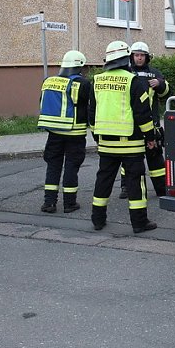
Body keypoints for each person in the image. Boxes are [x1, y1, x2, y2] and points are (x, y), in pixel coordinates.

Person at [89, 40, 157, 234]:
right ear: (126, 58)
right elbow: (143, 113)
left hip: (106, 143)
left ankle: (97, 220)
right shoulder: (132, 80)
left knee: (103, 181)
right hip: (131, 144)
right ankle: (139, 223)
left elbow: (91, 112)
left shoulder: (97, 80)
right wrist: (150, 136)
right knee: (135, 184)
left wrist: (96, 135)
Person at [37, 50, 90, 214]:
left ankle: (49, 203)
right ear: (79, 65)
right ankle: (69, 203)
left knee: (53, 165)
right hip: (75, 132)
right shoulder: (82, 83)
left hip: (54, 132)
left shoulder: (48, 81)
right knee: (71, 167)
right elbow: (88, 105)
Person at [118, 41, 169, 199]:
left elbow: (165, 93)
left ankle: (161, 190)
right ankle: (126, 187)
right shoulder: (126, 72)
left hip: (150, 121)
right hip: (130, 123)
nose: (139, 58)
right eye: (136, 55)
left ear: (147, 57)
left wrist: (160, 84)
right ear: (131, 57)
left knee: (155, 158)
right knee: (129, 158)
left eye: (142, 55)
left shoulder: (155, 73)